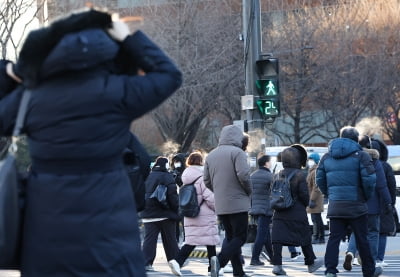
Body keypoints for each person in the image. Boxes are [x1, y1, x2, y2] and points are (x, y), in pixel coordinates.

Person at [0, 9, 182, 277]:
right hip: (110, 232)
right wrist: (131, 40)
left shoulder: (32, 97)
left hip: (46, 235)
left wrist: (13, 73)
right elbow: (169, 76)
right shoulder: (118, 91)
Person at [316, 126, 381, 277]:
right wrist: (364, 196)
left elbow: (319, 179)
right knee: (362, 239)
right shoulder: (361, 156)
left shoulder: (327, 156)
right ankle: (368, 271)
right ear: (356, 139)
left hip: (336, 205)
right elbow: (370, 180)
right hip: (356, 205)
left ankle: (330, 270)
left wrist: (331, 194)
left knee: (334, 239)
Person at [203, 124, 252, 277]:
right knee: (241, 237)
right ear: (238, 137)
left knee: (231, 238)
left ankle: (238, 272)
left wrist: (218, 191)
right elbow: (243, 175)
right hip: (238, 202)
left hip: (221, 203)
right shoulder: (238, 153)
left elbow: (206, 180)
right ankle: (219, 261)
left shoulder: (211, 155)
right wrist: (248, 191)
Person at [270, 144, 324, 276]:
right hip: (296, 212)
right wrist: (307, 203)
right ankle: (310, 263)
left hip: (279, 211)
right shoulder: (299, 174)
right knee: (304, 237)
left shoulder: (278, 174)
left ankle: (277, 265)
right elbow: (304, 195)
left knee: (277, 238)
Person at [343, 136, 392, 272]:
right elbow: (382, 185)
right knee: (373, 233)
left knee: (355, 231)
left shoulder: (350, 160)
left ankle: (351, 252)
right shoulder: (375, 161)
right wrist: (388, 202)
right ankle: (370, 260)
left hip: (356, 203)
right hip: (373, 205)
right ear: (370, 146)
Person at [168, 151, 220, 276]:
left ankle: (178, 262)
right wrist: (217, 207)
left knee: (192, 241)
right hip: (205, 215)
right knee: (210, 241)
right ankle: (211, 267)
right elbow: (210, 197)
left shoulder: (185, 177)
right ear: (201, 162)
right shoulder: (203, 177)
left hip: (190, 213)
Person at [140, 156, 181, 272]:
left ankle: (146, 262)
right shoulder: (167, 177)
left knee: (149, 239)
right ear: (166, 165)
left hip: (148, 213)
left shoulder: (147, 176)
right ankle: (175, 260)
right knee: (170, 239)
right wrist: (177, 209)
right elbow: (172, 196)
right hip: (165, 213)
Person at [373, 139, 397, 267]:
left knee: (367, 232)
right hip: (383, 203)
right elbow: (391, 186)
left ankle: (364, 256)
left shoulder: (362, 163)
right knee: (382, 232)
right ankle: (379, 259)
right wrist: (391, 203)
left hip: (365, 203)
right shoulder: (385, 166)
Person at [249, 154, 274, 266]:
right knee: (261, 234)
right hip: (266, 208)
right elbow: (274, 193)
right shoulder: (270, 176)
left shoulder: (252, 175)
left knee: (265, 234)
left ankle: (273, 258)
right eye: (270, 161)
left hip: (255, 207)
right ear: (266, 163)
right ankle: (254, 258)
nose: (271, 163)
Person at [306, 153, 325, 244]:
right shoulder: (313, 170)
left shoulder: (315, 171)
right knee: (318, 219)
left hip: (315, 199)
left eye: (311, 159)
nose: (309, 161)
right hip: (315, 198)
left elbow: (316, 187)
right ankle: (321, 237)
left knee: (315, 219)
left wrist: (311, 199)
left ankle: (316, 237)